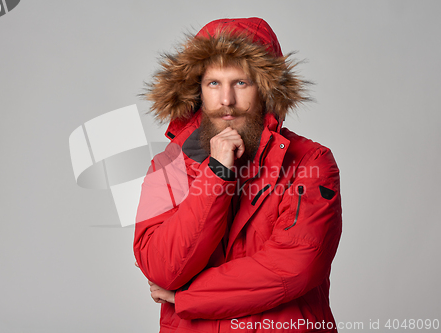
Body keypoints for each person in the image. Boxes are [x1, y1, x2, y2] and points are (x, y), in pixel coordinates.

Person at [133, 17, 342, 332]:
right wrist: (216, 172)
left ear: (266, 89)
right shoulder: (169, 166)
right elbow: (163, 268)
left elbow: (295, 267)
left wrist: (189, 296)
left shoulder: (311, 162)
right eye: (214, 83)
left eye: (241, 82)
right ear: (197, 90)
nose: (226, 100)